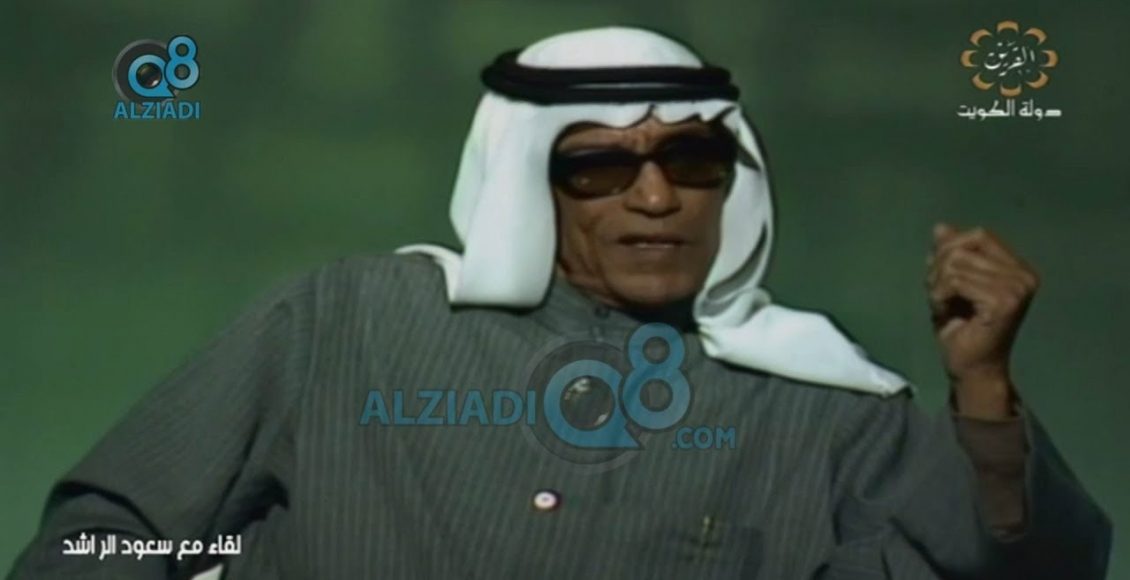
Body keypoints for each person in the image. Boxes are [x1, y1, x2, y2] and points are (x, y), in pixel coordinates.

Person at [9, 26, 1110, 579]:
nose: (654, 197)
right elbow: (108, 541)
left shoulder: (829, 410)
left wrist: (982, 386)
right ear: (526, 181)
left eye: (690, 161)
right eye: (599, 166)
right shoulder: (344, 323)